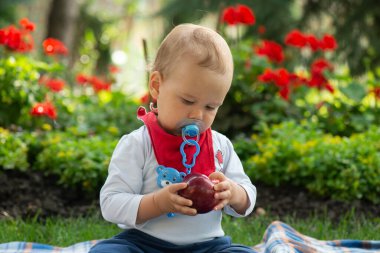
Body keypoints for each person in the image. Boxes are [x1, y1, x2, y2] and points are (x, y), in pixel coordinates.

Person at [89, 23, 257, 253]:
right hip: (145, 244)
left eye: (210, 106)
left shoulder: (220, 146)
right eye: (187, 101)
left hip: (207, 247)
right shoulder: (138, 144)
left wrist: (234, 193)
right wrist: (157, 203)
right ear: (157, 86)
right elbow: (111, 204)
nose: (197, 114)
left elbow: (248, 196)